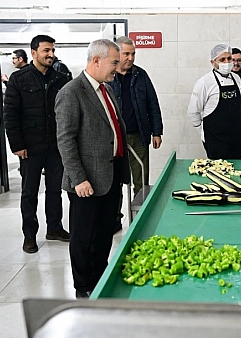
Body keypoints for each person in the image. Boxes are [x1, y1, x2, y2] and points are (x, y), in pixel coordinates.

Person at [55, 39, 130, 298]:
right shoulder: (71, 92)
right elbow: (65, 140)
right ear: (96, 60)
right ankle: (82, 286)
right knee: (84, 237)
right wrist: (79, 179)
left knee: (104, 232)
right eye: (113, 63)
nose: (117, 68)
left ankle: (99, 274)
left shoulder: (106, 90)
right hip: (86, 182)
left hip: (109, 175)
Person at [4, 35, 71, 253]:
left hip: (55, 147)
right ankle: (29, 235)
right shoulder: (19, 79)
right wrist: (17, 145)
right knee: (29, 192)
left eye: (52, 50)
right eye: (46, 51)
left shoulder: (61, 79)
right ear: (33, 53)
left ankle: (54, 228)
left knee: (55, 190)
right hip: (29, 149)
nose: (51, 54)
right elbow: (10, 115)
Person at [108, 36, 163, 230]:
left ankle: (140, 218)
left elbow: (152, 104)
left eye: (133, 54)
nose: (130, 58)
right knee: (115, 180)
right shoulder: (108, 75)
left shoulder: (141, 75)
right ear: (117, 54)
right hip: (113, 139)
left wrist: (157, 131)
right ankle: (114, 219)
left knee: (140, 179)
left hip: (138, 135)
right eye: (126, 54)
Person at [187, 43, 241, 159]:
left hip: (236, 137)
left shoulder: (237, 79)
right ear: (213, 62)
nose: (227, 62)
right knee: (219, 173)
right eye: (222, 59)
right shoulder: (204, 83)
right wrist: (203, 132)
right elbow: (193, 111)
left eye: (229, 59)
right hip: (215, 139)